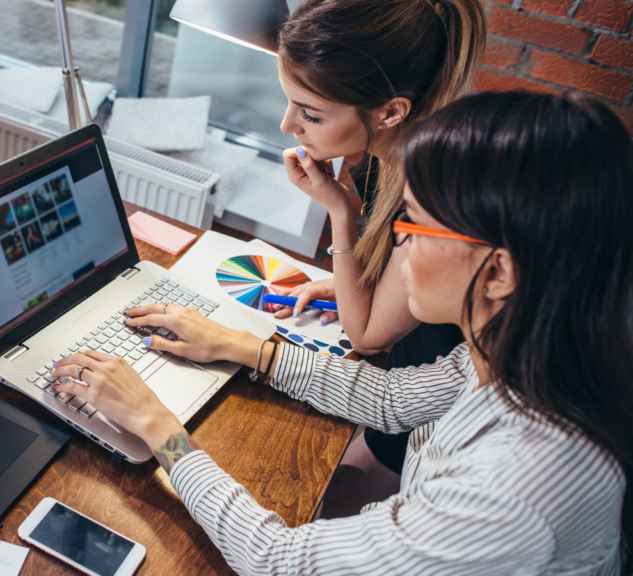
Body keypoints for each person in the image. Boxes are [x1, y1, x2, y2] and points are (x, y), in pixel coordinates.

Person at [50, 92, 633, 573]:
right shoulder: (517, 350)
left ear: (500, 272)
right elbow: (392, 399)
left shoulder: (512, 492)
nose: (398, 244)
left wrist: (158, 427)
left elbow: (277, 560)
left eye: (416, 225)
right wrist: (240, 346)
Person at [263, 0, 487, 513]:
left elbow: (366, 334)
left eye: (310, 113)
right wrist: (355, 283)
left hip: (423, 412)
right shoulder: (385, 152)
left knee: (314, 496)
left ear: (391, 111)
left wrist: (341, 214)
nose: (287, 125)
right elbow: (384, 282)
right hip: (410, 390)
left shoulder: (432, 192)